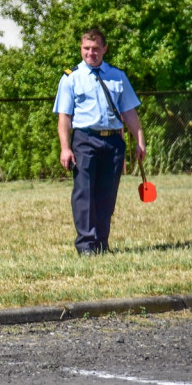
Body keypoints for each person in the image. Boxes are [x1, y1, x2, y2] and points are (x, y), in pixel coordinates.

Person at [54, 28, 146, 256]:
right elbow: (64, 117)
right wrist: (65, 148)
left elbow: (129, 112)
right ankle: (86, 245)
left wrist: (139, 141)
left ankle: (102, 243)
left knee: (107, 194)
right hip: (85, 140)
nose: (90, 53)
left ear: (105, 49)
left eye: (95, 49)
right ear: (81, 48)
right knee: (84, 193)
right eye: (86, 48)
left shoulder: (117, 76)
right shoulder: (71, 77)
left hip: (113, 141)